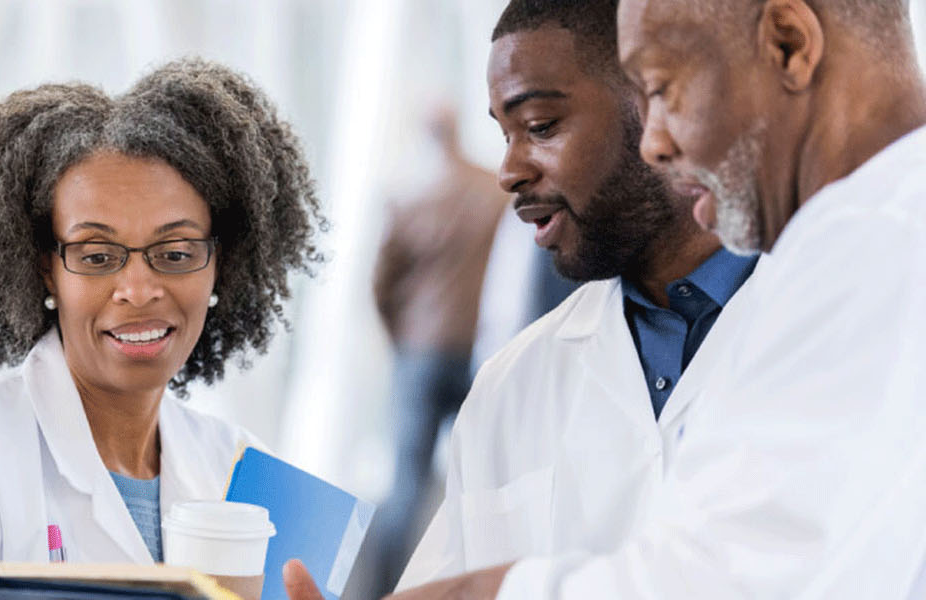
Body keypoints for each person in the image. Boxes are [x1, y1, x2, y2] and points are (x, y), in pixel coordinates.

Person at [297, 0, 926, 597]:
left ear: (789, 46)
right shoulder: (511, 385)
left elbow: (728, 576)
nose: (658, 140)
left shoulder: (871, 254)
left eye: (661, 89)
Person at [0, 58, 326, 598]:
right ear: (45, 267)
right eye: (96, 255)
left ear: (221, 265)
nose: (138, 289)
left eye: (176, 253)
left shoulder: (248, 472)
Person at [397, 0, 760, 587]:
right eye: (504, 133)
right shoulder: (509, 387)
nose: (508, 170)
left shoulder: (846, 323)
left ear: (663, 105)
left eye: (540, 126)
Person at [363, 105, 506, 594]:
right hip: (480, 354)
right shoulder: (493, 190)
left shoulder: (408, 196)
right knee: (487, 484)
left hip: (420, 353)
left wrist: (400, 337)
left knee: (406, 484)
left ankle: (381, 591)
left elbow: (381, 283)